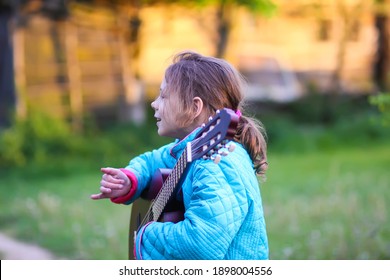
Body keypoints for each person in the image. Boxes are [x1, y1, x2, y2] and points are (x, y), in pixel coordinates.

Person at [91, 51, 269, 260]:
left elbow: (200, 244)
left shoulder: (217, 163)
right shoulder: (193, 149)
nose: (154, 104)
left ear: (195, 107)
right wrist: (131, 179)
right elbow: (152, 160)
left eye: (164, 96)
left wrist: (144, 234)